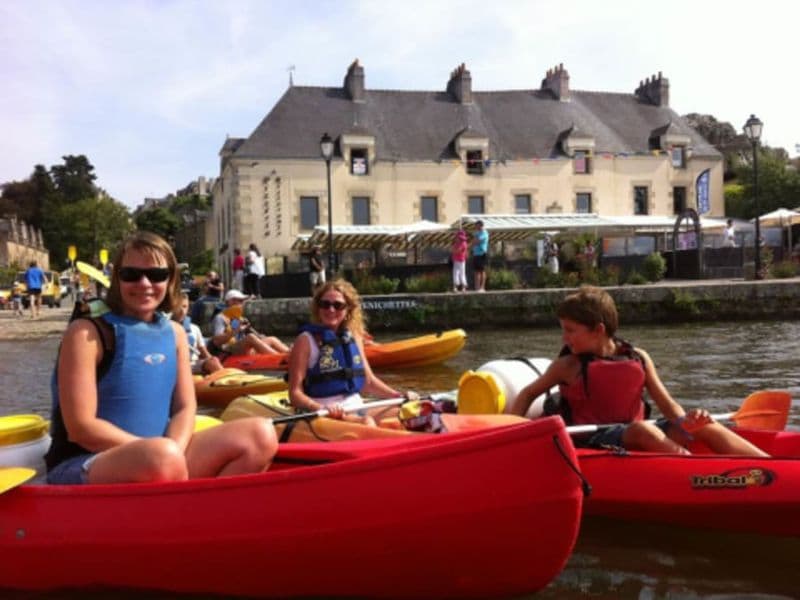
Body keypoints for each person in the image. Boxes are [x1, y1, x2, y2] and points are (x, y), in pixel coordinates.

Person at [44, 231, 277, 485]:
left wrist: (173, 449)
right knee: (162, 457)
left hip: (162, 459)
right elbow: (81, 428)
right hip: (86, 461)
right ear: (117, 278)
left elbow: (185, 407)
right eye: (131, 274)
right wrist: (162, 453)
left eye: (156, 275)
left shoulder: (175, 333)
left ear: (170, 280)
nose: (144, 283)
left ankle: (205, 515)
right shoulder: (87, 333)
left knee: (260, 434)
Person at [511, 286, 768, 457]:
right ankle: (697, 473)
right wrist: (512, 437)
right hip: (592, 441)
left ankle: (774, 468)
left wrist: (688, 420)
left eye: (570, 330)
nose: (564, 338)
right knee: (642, 430)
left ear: (598, 330)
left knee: (705, 426)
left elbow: (668, 405)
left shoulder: (638, 358)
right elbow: (526, 394)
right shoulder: (567, 366)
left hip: (636, 432)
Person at [287, 280, 415, 425]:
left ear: (348, 310)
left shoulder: (354, 337)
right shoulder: (305, 341)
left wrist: (398, 396)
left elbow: (368, 382)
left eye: (338, 305)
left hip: (356, 405)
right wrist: (320, 408)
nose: (331, 310)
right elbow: (295, 394)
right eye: (325, 304)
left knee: (410, 413)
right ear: (318, 308)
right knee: (367, 423)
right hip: (324, 410)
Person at [207, 289, 290, 359]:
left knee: (271, 339)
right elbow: (217, 341)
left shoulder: (237, 318)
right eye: (240, 301)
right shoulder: (220, 318)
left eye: (242, 301)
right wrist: (236, 330)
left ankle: (289, 353)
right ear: (231, 302)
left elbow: (254, 335)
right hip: (226, 351)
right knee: (250, 338)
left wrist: (259, 336)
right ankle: (279, 358)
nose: (242, 304)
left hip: (241, 347)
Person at [173, 292, 223, 375]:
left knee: (214, 360)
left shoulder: (194, 328)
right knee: (212, 363)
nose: (182, 310)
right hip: (176, 366)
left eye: (185, 306)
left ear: (188, 308)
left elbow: (204, 351)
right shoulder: (166, 328)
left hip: (193, 364)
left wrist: (213, 359)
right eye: (178, 307)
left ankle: (227, 381)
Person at [471, 220, 489, 292]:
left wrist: (475, 239)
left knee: (481, 271)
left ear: (480, 225)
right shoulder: (477, 233)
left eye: (477, 225)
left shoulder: (484, 233)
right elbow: (473, 242)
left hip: (481, 254)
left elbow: (477, 241)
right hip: (476, 254)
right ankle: (477, 287)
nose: (475, 227)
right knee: (476, 271)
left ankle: (482, 287)